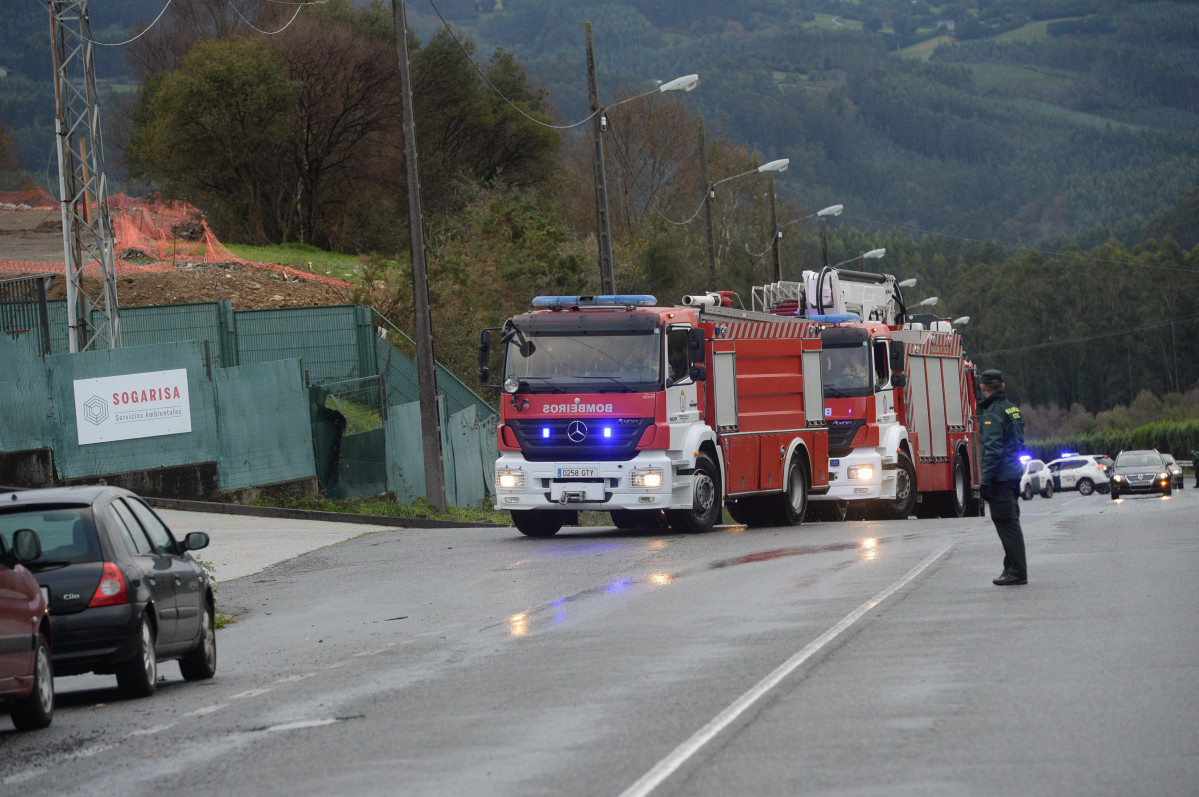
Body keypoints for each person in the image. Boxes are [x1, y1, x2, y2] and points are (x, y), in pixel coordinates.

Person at [978, 369, 1027, 586]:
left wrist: (986, 481)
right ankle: (1010, 567)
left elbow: (993, 450)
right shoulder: (1013, 410)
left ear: (983, 388)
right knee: (1010, 520)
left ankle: (1017, 571)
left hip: (1000, 477)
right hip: (1013, 474)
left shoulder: (993, 413)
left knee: (1006, 523)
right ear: (1003, 386)